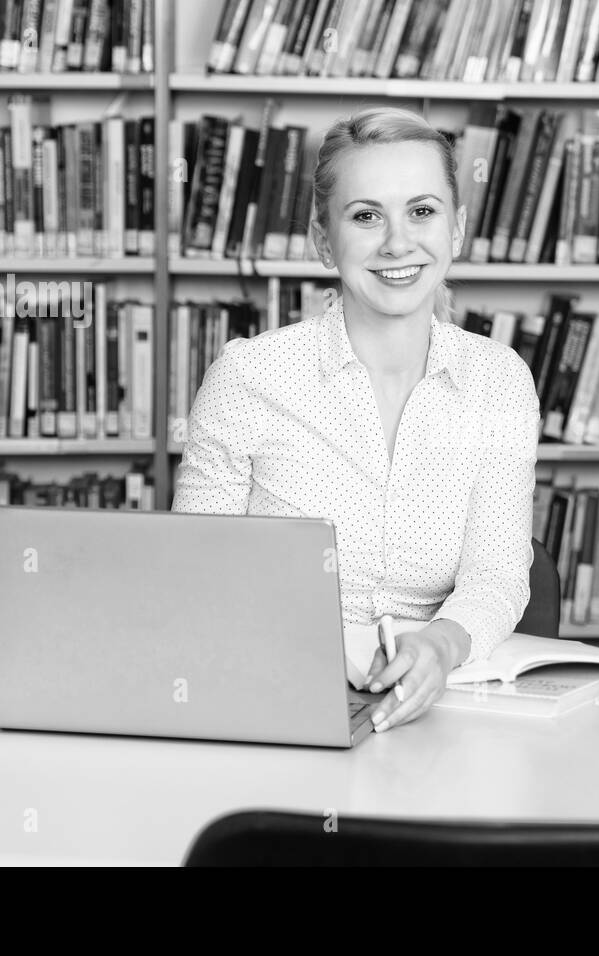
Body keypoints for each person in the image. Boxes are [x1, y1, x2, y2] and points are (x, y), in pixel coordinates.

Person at [172, 106, 541, 733]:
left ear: (456, 231)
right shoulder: (248, 376)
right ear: (323, 241)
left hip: (439, 706)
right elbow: (196, 572)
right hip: (271, 697)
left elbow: (497, 575)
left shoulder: (499, 382)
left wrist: (440, 645)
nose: (397, 242)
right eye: (366, 215)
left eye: (422, 211)